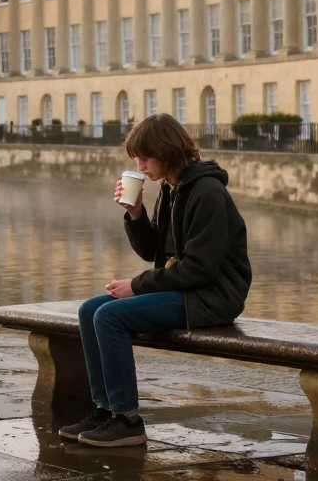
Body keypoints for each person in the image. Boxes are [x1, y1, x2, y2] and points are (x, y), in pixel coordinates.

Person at [60, 112, 252, 448]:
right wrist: (135, 212)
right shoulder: (171, 189)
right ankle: (105, 410)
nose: (140, 166)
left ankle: (127, 419)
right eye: (136, 159)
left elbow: (200, 269)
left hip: (212, 296)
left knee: (110, 315)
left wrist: (136, 285)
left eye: (144, 158)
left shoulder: (207, 193)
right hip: (187, 289)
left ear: (167, 152)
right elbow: (153, 252)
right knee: (90, 310)